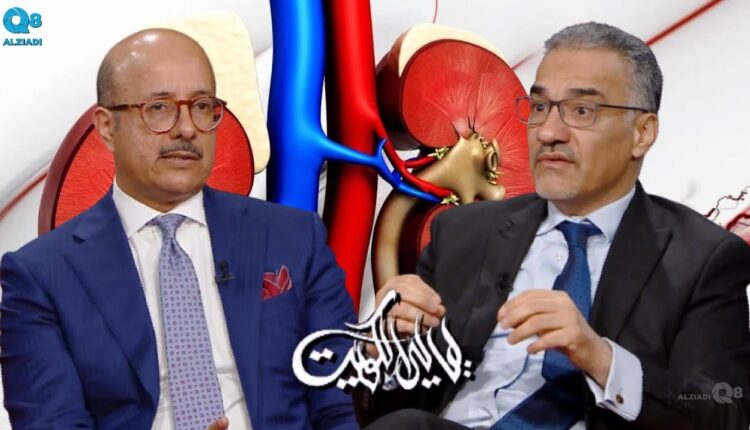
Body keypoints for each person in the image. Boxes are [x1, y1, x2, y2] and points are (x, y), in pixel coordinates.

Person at [358, 22, 750, 429]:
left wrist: (601, 358)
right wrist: (387, 350)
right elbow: (392, 403)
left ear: (642, 133)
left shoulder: (702, 258)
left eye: (582, 111)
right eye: (539, 107)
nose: (547, 132)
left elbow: (726, 410)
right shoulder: (462, 232)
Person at [0, 29, 358, 430]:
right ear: (106, 127)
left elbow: (340, 402)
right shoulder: (40, 276)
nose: (187, 129)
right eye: (159, 108)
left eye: (202, 106)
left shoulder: (292, 237)